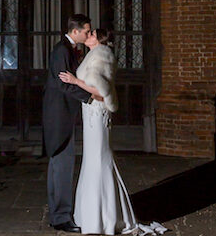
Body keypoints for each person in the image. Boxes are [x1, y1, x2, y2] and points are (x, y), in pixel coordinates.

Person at [60, 29, 166, 236]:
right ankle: (92, 216)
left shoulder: (102, 55)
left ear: (99, 40)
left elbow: (102, 92)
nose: (88, 35)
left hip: (97, 112)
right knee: (92, 159)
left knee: (100, 158)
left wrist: (76, 82)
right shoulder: (94, 54)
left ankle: (106, 218)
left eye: (92, 34)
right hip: (90, 112)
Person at [43, 13, 93, 232]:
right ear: (75, 31)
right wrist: (91, 97)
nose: (88, 35)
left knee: (60, 165)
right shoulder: (62, 50)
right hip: (59, 114)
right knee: (62, 165)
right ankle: (61, 217)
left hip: (62, 113)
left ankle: (58, 215)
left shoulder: (66, 49)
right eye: (86, 31)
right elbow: (63, 84)